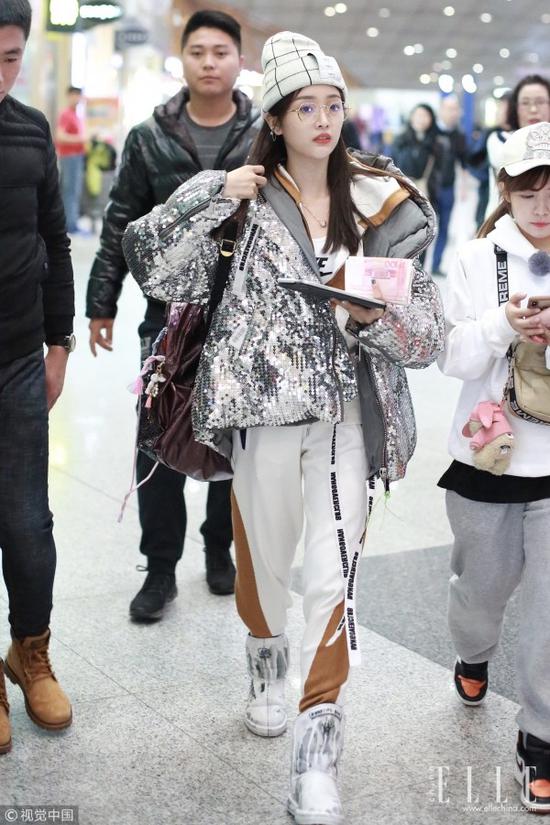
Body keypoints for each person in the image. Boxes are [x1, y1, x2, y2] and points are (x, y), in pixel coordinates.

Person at [122, 30, 444, 824]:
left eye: (334, 104)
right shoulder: (241, 197)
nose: (324, 119)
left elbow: (427, 332)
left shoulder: (381, 201)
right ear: (274, 117)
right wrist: (212, 193)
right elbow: (149, 260)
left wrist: (374, 319)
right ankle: (266, 663)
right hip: (259, 416)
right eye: (305, 107)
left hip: (349, 418)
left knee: (334, 580)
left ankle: (316, 757)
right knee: (264, 569)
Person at [86, 10, 260, 619]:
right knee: (158, 436)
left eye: (221, 52)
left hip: (246, 316)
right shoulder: (149, 136)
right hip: (167, 314)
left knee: (236, 438)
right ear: (181, 59)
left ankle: (219, 550)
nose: (209, 62)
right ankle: (160, 567)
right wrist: (100, 302)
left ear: (239, 61)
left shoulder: (264, 132)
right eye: (198, 51)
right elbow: (122, 220)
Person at [437, 122, 550, 814]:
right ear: (506, 191)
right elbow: (450, 356)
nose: (543, 206)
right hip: (487, 457)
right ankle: (473, 651)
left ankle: (540, 736)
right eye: (529, 191)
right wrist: (506, 324)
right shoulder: (477, 259)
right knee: (482, 592)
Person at [0, 0, 75, 755]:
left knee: (27, 520)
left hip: (20, 356)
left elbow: (56, 236)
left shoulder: (30, 129)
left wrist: (60, 344)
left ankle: (31, 652)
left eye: (10, 57)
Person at [486, 75, 550, 218]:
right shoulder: (499, 139)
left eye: (540, 102)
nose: (533, 109)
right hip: (504, 220)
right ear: (515, 107)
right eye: (525, 103)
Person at [431, 95, 467, 276]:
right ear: (441, 110)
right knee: (424, 226)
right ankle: (417, 265)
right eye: (449, 109)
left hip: (448, 187)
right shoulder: (431, 131)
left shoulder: (458, 135)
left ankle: (436, 264)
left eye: (455, 109)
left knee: (444, 227)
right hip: (429, 188)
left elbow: (464, 162)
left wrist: (463, 187)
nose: (452, 113)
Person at [391, 103, 442, 203]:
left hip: (427, 193)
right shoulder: (400, 140)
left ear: (431, 119)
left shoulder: (437, 142)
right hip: (402, 191)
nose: (421, 119)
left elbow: (440, 170)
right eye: (418, 115)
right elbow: (391, 164)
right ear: (411, 117)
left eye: (425, 116)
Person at [56, 86, 87, 234]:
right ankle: (70, 225)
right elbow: (60, 136)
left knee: (74, 190)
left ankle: (72, 222)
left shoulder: (76, 115)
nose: (77, 98)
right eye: (74, 95)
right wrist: (81, 139)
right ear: (69, 96)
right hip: (69, 157)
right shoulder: (66, 114)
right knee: (70, 191)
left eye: (78, 95)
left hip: (77, 156)